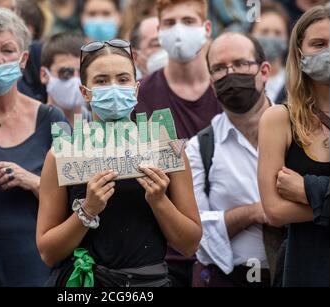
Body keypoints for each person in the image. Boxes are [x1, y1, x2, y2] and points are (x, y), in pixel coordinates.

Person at [36, 39, 202, 287]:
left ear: (135, 89)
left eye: (122, 79)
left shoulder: (164, 148)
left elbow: (189, 244)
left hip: (148, 283)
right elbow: (48, 252)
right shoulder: (62, 154)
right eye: (101, 81)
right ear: (85, 92)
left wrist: (159, 201)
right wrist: (87, 211)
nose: (113, 88)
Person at [0, 7, 67, 287]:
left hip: (35, 266)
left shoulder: (51, 118)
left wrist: (33, 181)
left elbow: (77, 198)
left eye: (7, 50)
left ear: (23, 59)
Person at [133, 0, 222, 287]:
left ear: (207, 28)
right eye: (170, 23)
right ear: (158, 32)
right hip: (162, 257)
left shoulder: (229, 93)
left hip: (225, 254)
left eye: (188, 20)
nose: (179, 30)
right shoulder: (139, 96)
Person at [187, 32, 272, 287]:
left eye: (241, 64)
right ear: (212, 83)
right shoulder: (200, 148)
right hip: (227, 279)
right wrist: (254, 213)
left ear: (264, 71)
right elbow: (197, 235)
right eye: (219, 68)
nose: (230, 73)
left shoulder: (301, 133)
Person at [258, 3, 330, 287]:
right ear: (300, 54)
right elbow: (274, 211)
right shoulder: (278, 119)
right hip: (304, 268)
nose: (327, 51)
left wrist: (307, 190)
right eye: (318, 44)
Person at [40, 32, 91, 128]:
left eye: (82, 73)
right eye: (66, 72)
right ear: (44, 75)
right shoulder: (30, 125)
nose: (76, 80)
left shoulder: (101, 129)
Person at [249, 1, 290, 104]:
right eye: (264, 31)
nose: (271, 37)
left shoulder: (295, 81)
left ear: (288, 38)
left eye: (278, 33)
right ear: (251, 35)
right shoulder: (243, 80)